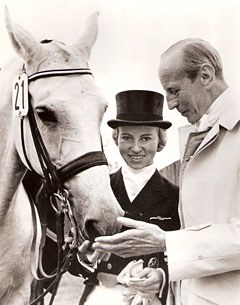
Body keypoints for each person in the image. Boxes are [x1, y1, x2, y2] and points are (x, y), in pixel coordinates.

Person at [92, 39, 240, 305]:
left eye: (174, 90)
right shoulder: (207, 131)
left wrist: (166, 242)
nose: (170, 104)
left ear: (205, 75)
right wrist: (163, 276)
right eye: (127, 138)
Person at [82, 90, 180, 305]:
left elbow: (182, 254)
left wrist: (161, 278)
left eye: (146, 138)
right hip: (100, 296)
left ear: (161, 142)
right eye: (127, 137)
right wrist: (82, 257)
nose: (136, 148)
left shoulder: (176, 197)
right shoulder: (98, 190)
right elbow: (77, 260)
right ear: (116, 139)